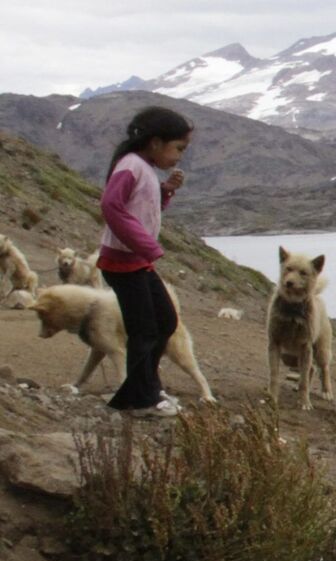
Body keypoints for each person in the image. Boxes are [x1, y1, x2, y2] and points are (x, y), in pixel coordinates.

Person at [97, 106, 193, 418]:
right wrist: (146, 245)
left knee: (164, 320)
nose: (179, 156)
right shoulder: (131, 165)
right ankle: (140, 400)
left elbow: (140, 207)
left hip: (136, 262)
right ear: (155, 142)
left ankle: (143, 389)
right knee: (145, 329)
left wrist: (166, 192)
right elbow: (111, 205)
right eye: (178, 148)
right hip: (123, 261)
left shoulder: (143, 168)